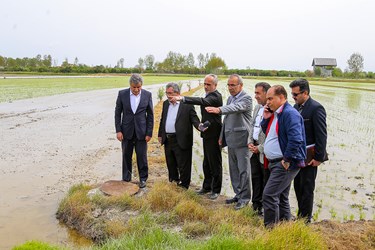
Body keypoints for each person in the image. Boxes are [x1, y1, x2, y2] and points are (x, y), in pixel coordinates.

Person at [171, 74, 223, 199]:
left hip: (214, 134)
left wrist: (182, 99)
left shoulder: (216, 96)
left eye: (208, 84)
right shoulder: (209, 94)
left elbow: (202, 101)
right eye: (204, 84)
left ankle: (215, 190)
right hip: (207, 133)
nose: (205, 86)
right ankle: (206, 187)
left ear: (215, 85)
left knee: (215, 162)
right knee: (206, 162)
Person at [261, 85, 306, 227]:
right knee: (281, 196)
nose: (267, 102)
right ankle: (285, 226)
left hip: (284, 163)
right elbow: (270, 133)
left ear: (281, 98)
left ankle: (270, 229)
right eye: (267, 99)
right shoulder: (276, 113)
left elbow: (296, 139)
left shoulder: (289, 114)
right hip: (275, 162)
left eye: (270, 98)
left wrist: (286, 160)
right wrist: (266, 119)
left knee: (269, 195)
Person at [206, 74, 252, 210]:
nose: (230, 88)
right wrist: (222, 136)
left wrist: (219, 109)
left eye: (233, 85)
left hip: (243, 141)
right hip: (231, 139)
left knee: (244, 171)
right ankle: (238, 195)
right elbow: (226, 119)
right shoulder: (230, 98)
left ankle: (244, 198)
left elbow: (235, 108)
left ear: (240, 86)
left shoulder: (246, 99)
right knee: (234, 170)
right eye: (229, 85)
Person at [289, 78, 328, 223]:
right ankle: (301, 215)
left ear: (305, 93)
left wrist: (319, 158)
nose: (293, 97)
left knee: (306, 188)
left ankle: (305, 220)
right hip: (297, 156)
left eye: (295, 94)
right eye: (292, 94)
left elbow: (321, 135)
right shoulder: (296, 107)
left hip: (310, 157)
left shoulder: (316, 108)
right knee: (298, 186)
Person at [158, 82, 200, 189]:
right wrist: (160, 134)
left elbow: (194, 119)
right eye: (167, 93)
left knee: (183, 164)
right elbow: (163, 119)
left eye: (171, 93)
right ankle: (173, 182)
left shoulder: (187, 104)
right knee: (171, 163)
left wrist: (199, 126)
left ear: (178, 93)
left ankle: (184, 186)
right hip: (168, 139)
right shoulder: (165, 104)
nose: (168, 96)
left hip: (181, 139)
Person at [114, 74, 154, 188]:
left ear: (141, 86)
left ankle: (143, 179)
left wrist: (149, 133)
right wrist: (118, 130)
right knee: (126, 155)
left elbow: (150, 116)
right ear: (130, 85)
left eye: (138, 87)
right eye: (134, 87)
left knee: (142, 156)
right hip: (126, 131)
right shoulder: (122, 94)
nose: (136, 90)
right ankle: (126, 179)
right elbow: (117, 113)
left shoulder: (147, 95)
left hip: (141, 132)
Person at [248, 82, 271, 215]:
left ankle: (264, 208)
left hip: (264, 151)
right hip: (253, 148)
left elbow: (272, 134)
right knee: (255, 177)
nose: (255, 96)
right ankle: (255, 205)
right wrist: (250, 142)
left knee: (265, 179)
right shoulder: (257, 107)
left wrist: (260, 148)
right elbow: (252, 126)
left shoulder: (272, 109)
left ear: (266, 94)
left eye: (258, 93)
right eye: (255, 92)